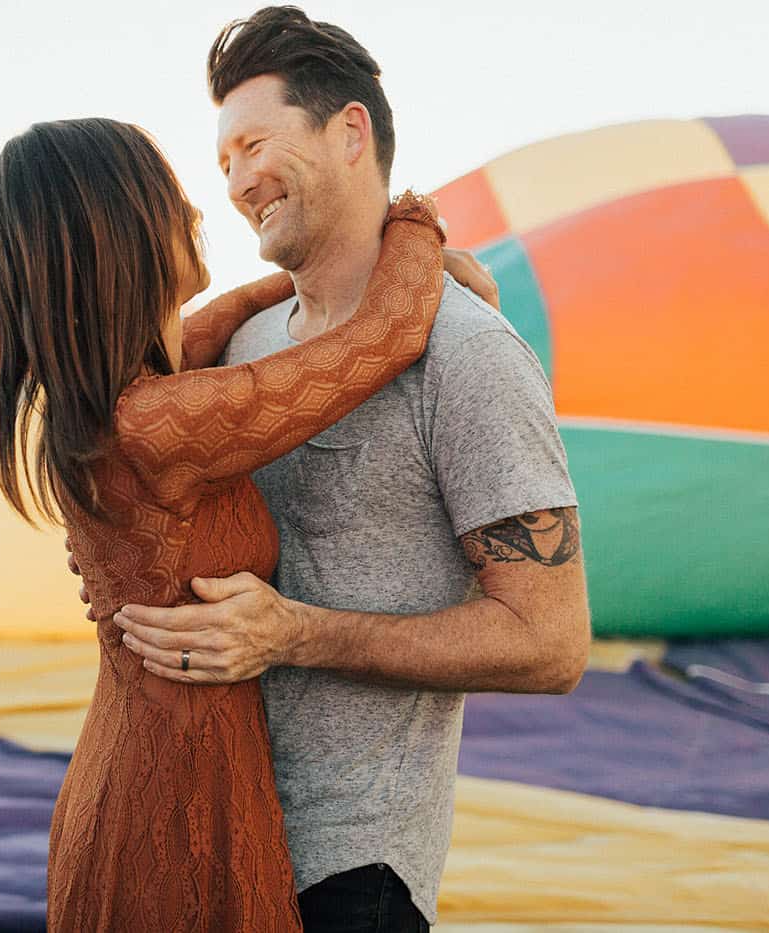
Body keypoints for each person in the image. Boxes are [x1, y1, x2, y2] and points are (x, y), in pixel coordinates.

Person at [107, 8, 591, 932]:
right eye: (223, 163)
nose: (239, 182)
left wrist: (293, 633)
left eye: (255, 143)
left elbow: (552, 642)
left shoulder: (469, 354)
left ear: (350, 131)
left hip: (353, 867)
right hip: (207, 839)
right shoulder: (241, 347)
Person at [0, 117, 464, 931]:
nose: (197, 212)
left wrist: (330, 267)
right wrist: (412, 222)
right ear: (123, 238)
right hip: (172, 801)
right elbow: (386, 337)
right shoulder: (158, 425)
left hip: (147, 763)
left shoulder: (111, 401)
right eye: (169, 199)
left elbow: (227, 314)